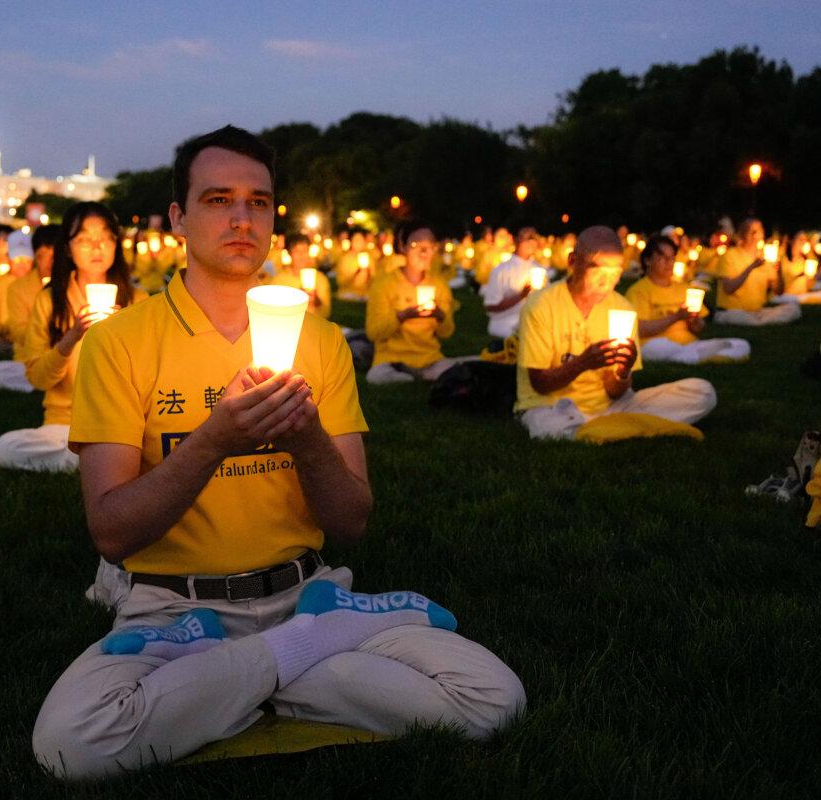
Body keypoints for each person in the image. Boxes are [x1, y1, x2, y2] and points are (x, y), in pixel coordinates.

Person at [31, 126, 525, 780]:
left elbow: (349, 522)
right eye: (217, 199)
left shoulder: (318, 342)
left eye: (258, 202)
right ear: (178, 217)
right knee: (70, 744)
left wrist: (305, 436)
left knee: (495, 700)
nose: (241, 217)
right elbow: (113, 533)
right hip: (175, 610)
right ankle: (305, 651)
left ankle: (237, 678)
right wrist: (215, 440)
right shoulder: (120, 342)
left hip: (304, 588)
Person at [515, 226, 717, 440]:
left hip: (610, 405)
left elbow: (616, 392)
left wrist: (623, 371)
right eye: (598, 268)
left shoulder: (622, 309)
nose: (608, 281)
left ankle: (605, 429)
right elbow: (540, 384)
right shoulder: (541, 305)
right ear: (573, 261)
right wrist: (583, 362)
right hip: (553, 406)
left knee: (703, 393)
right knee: (549, 426)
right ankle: (623, 427)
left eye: (615, 271)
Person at [0, 203, 146, 472]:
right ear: (67, 247)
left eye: (105, 238)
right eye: (85, 239)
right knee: (5, 448)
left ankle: (97, 459)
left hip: (122, 422)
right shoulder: (51, 301)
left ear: (115, 244)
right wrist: (71, 337)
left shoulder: (138, 301)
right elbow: (38, 378)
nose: (96, 247)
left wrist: (121, 335)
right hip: (65, 423)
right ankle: (95, 460)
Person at [365, 222, 466, 384]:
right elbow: (374, 332)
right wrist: (402, 316)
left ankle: (417, 377)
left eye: (430, 246)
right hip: (391, 359)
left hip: (428, 358)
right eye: (416, 245)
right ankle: (412, 378)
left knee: (458, 372)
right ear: (403, 247)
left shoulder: (438, 284)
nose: (424, 252)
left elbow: (446, 332)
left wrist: (440, 316)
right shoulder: (384, 284)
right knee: (376, 376)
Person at [625, 235, 749, 364]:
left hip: (688, 344)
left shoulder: (685, 289)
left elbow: (699, 328)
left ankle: (694, 357)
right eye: (662, 257)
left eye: (672, 257)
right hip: (655, 344)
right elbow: (640, 330)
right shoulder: (638, 291)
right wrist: (676, 317)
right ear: (647, 261)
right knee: (658, 347)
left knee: (741, 344)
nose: (669, 262)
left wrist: (694, 322)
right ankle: (702, 357)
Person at [0, 224, 59, 394]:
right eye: (42, 256)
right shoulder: (18, 288)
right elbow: (18, 332)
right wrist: (53, 334)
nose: (49, 263)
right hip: (31, 359)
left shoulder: (72, 284)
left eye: (55, 256)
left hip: (67, 359)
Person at [714, 218, 801, 326]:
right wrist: (751, 267)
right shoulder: (729, 255)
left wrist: (778, 271)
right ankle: (760, 321)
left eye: (758, 231)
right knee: (741, 317)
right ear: (743, 234)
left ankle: (760, 321)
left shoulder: (766, 259)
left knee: (793, 308)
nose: (755, 235)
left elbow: (779, 291)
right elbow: (728, 289)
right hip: (731, 311)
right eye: (751, 231)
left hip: (757, 312)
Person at [481, 226, 546, 340]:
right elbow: (491, 307)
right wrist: (521, 295)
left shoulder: (539, 270)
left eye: (533, 238)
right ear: (516, 240)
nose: (530, 242)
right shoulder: (501, 271)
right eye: (526, 238)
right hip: (505, 321)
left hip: (534, 319)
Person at [269, 232, 332, 318]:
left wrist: (316, 300)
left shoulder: (320, 279)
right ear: (289, 254)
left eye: (305, 250)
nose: (302, 255)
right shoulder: (279, 281)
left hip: (314, 326)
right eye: (297, 251)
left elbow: (326, 313)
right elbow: (273, 310)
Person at [772, 230, 821, 304]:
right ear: (791, 240)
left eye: (805, 240)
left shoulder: (804, 260)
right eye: (800, 239)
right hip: (786, 296)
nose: (803, 242)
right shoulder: (782, 260)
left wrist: (814, 276)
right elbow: (779, 290)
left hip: (801, 295)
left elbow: (808, 284)